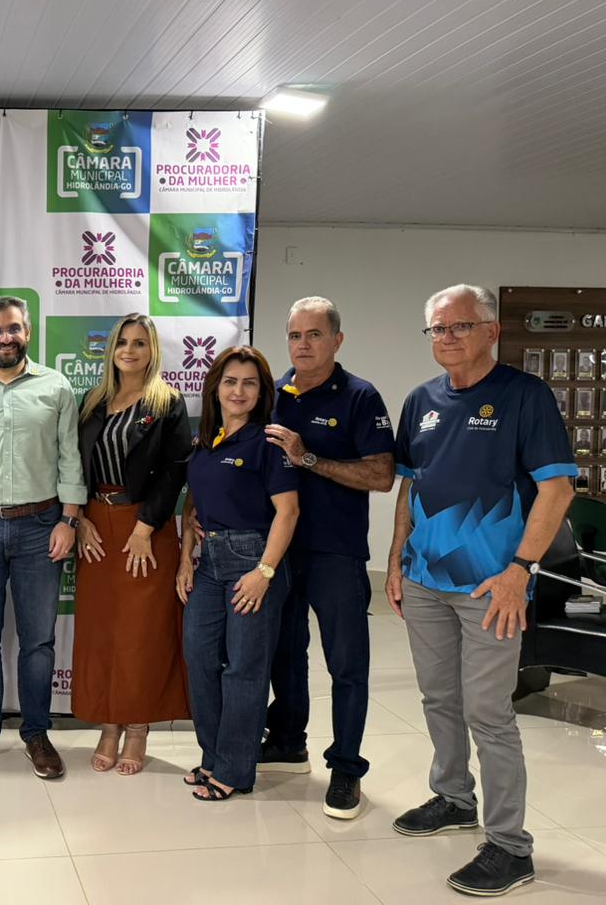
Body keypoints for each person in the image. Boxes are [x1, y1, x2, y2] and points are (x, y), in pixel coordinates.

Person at [387, 284, 575, 897]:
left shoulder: (525, 397)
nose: (446, 338)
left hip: (493, 588)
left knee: (489, 713)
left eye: (459, 326)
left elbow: (557, 490)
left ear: (491, 331)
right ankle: (453, 798)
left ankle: (510, 847)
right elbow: (411, 486)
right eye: (437, 329)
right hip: (424, 582)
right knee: (439, 698)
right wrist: (396, 560)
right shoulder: (421, 401)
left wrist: (521, 570)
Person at [258, 297, 395, 820]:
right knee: (284, 653)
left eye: (314, 335)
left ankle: (346, 768)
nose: (303, 345)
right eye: (295, 335)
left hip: (335, 550)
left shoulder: (359, 396)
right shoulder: (274, 394)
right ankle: (289, 742)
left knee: (346, 663)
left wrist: (307, 457)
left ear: (337, 340)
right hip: (278, 548)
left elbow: (381, 476)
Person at [0, 296, 87, 779]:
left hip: (42, 526)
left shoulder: (56, 386)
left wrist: (69, 520)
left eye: (12, 329)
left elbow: (70, 456)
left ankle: (37, 733)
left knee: (39, 641)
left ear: (27, 331)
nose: (4, 338)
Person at [177, 346, 299, 802]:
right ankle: (213, 757)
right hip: (209, 564)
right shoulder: (205, 442)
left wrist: (264, 572)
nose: (239, 391)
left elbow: (288, 512)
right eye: (230, 381)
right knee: (200, 660)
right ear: (215, 388)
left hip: (254, 559)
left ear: (262, 392)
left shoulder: (268, 442)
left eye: (250, 383)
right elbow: (192, 506)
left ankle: (234, 770)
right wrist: (185, 558)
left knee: (244, 670)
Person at [71, 313, 190, 775]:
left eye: (139, 343)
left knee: (142, 634)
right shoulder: (92, 401)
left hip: (146, 529)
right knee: (102, 632)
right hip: (96, 527)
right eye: (122, 342)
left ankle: (137, 727)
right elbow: (73, 463)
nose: (129, 350)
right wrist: (80, 518)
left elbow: (175, 470)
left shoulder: (167, 402)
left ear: (152, 350)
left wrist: (145, 527)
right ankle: (109, 724)